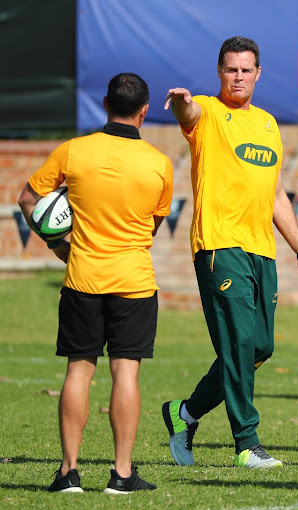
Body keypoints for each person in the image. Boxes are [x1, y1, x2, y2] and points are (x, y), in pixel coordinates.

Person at [161, 36, 298, 470]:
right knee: (236, 345)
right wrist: (181, 103)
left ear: (258, 73)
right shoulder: (207, 113)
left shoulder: (269, 125)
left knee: (258, 347)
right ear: (219, 71)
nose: (238, 76)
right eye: (230, 69)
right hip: (219, 245)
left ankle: (185, 414)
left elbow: (276, 196)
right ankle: (247, 444)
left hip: (262, 251)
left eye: (245, 69)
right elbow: (188, 113)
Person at [18, 73, 172, 493]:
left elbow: (28, 199)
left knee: (78, 372)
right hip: (134, 284)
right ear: (144, 110)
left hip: (82, 278)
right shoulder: (159, 163)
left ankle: (68, 472)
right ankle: (122, 474)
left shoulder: (73, 151)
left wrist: (59, 245)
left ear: (105, 104)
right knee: (126, 374)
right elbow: (154, 225)